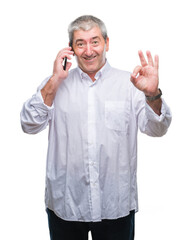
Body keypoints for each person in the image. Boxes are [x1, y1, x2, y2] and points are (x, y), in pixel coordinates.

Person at [20, 15, 172, 240]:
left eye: (95, 41)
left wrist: (152, 94)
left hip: (116, 204)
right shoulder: (54, 85)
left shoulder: (129, 85)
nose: (88, 50)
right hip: (66, 203)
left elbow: (157, 129)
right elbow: (28, 124)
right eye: (80, 43)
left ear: (107, 43)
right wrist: (54, 79)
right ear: (71, 48)